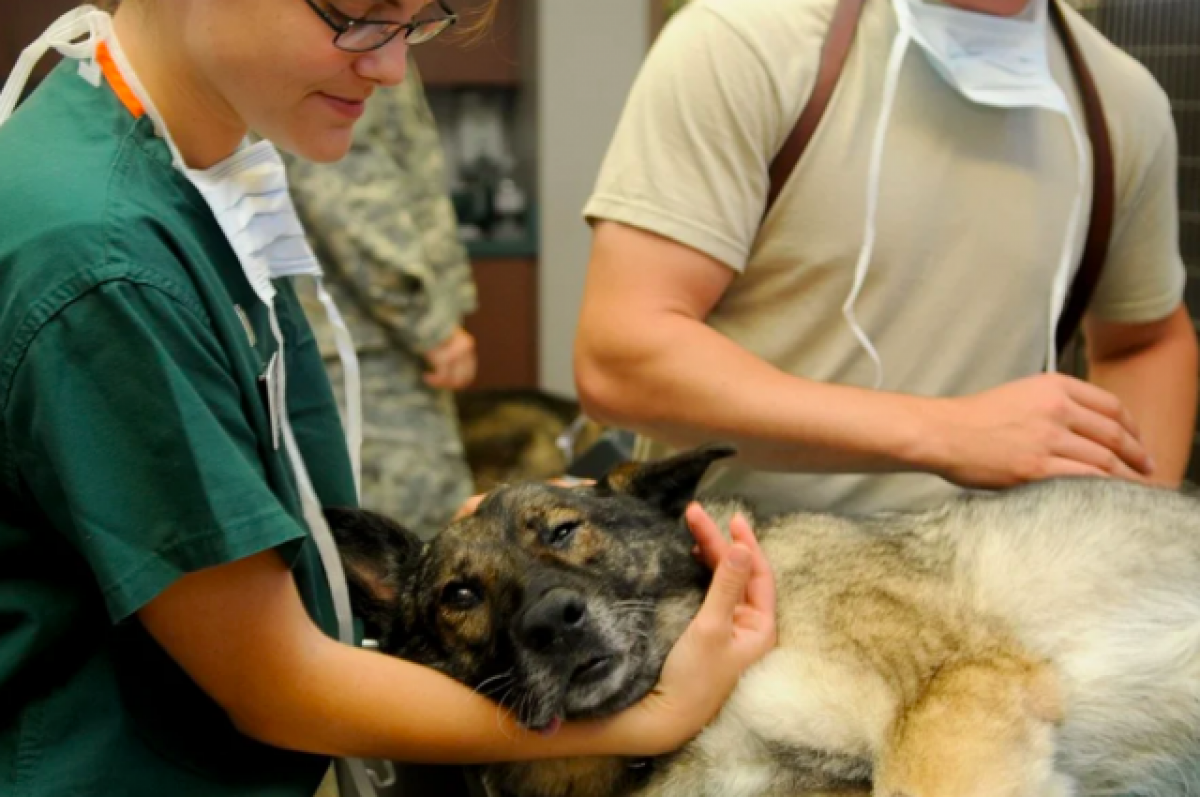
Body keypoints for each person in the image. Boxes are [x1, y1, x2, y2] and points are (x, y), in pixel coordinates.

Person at [0, 3, 777, 797]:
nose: (390, 66)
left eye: (415, 25)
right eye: (357, 15)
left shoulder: (194, 177)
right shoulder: (102, 263)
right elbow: (274, 681)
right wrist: (657, 713)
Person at [576, 0, 1198, 517]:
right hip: (740, 592)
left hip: (998, 598)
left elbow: (1145, 340)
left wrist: (1127, 531)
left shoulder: (1121, 105)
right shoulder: (748, 43)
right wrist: (944, 432)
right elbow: (622, 356)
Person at [283, 57, 478, 541]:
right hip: (366, 347)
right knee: (411, 552)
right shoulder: (353, 30)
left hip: (357, 337)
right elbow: (347, 193)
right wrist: (429, 325)